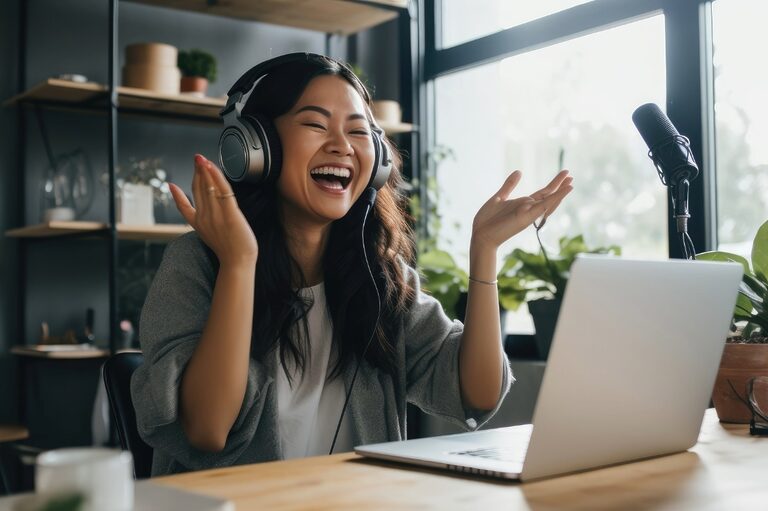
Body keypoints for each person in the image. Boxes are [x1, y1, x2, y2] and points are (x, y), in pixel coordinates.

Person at [131, 53, 573, 476]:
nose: (342, 146)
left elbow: (476, 395)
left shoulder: (379, 274)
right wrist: (239, 263)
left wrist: (485, 252)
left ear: (377, 161)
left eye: (359, 132)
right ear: (254, 146)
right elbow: (207, 430)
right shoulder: (198, 263)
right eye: (314, 124)